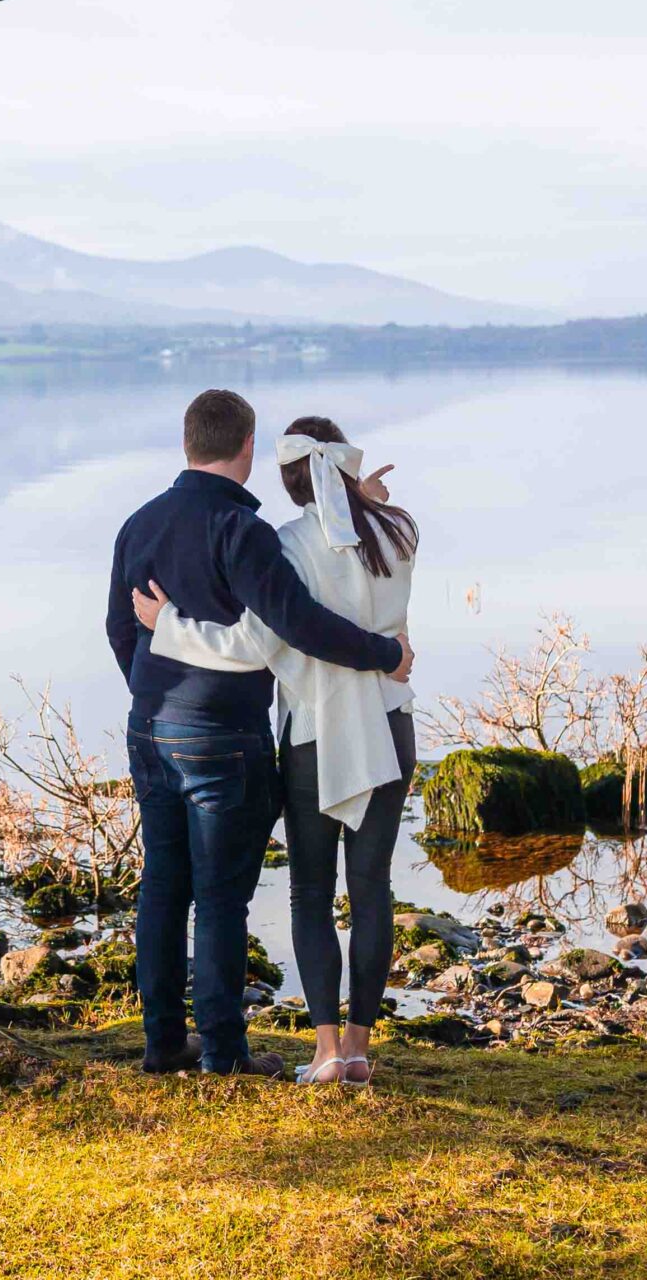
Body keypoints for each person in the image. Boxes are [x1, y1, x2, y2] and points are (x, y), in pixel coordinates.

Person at [106, 391, 413, 1078]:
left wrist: (154, 693)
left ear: (189, 443)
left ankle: (162, 1042)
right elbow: (291, 626)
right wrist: (385, 653)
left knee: (162, 884)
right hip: (227, 736)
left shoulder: (138, 524)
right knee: (221, 897)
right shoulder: (246, 534)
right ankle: (222, 1052)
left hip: (152, 729)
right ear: (245, 449)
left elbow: (119, 628)